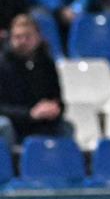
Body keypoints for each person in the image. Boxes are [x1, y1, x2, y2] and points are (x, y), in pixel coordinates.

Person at [0, 15, 65, 144]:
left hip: (40, 122)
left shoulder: (46, 64)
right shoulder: (2, 65)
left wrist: (54, 108)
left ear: (38, 37)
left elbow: (57, 98)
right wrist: (30, 113)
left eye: (28, 36)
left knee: (66, 127)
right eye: (18, 37)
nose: (23, 41)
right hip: (13, 121)